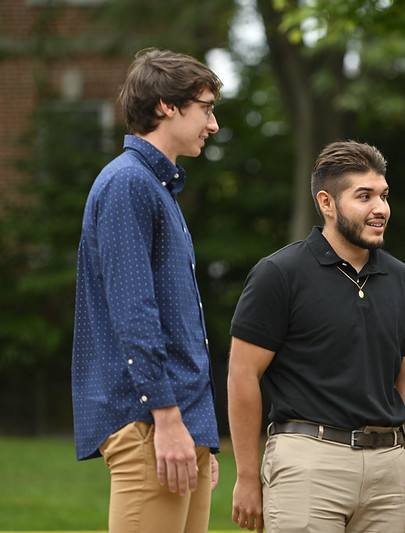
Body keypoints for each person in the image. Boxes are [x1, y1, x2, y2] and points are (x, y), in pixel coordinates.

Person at [227, 140, 405, 533]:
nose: (381, 208)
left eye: (383, 195)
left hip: (387, 470)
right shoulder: (279, 274)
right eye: (365, 196)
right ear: (327, 203)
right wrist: (245, 476)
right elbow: (242, 376)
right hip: (307, 463)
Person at [72, 48, 223, 532]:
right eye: (206, 108)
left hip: (178, 424)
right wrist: (169, 419)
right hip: (151, 425)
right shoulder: (128, 184)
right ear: (166, 105)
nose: (213, 124)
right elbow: (134, 312)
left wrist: (197, 432)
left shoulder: (157, 187)